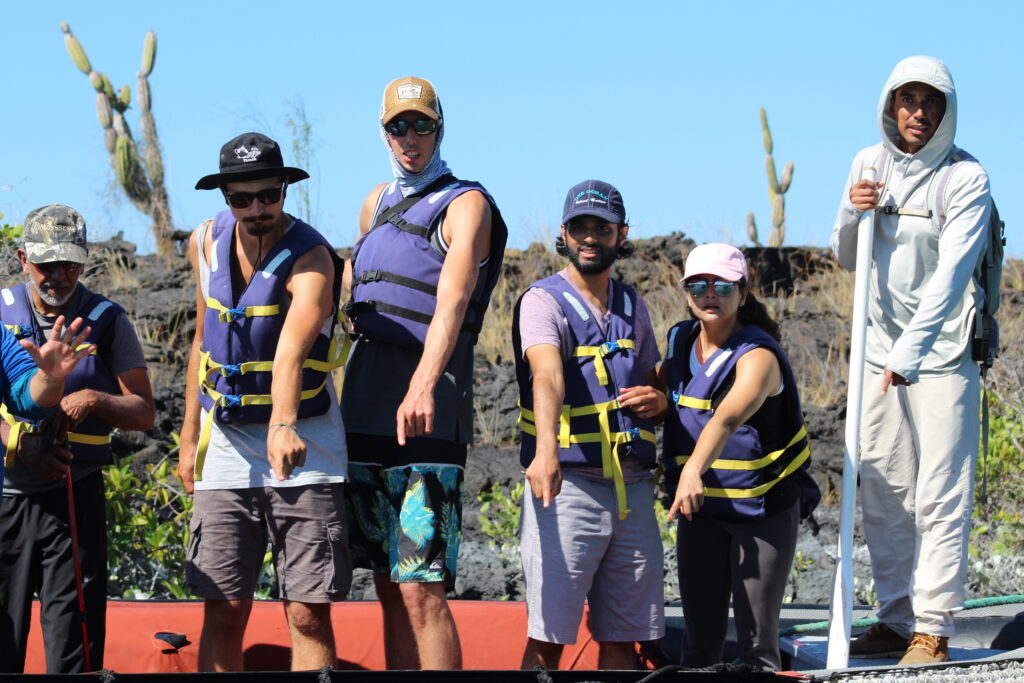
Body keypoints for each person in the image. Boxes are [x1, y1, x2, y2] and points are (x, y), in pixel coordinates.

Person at [831, 56, 993, 665]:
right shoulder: (866, 163)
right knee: (884, 487)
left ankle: (933, 628)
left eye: (931, 102)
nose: (918, 112)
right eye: (908, 100)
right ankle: (894, 621)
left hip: (944, 354)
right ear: (890, 105)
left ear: (946, 111)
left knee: (939, 492)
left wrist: (909, 353)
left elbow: (951, 278)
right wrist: (854, 210)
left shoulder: (966, 178)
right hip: (878, 352)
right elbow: (847, 257)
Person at [342, 76, 507, 670]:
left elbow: (454, 301)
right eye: (398, 126)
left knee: (421, 585)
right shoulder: (374, 203)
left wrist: (422, 384)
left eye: (422, 125)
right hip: (362, 411)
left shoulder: (466, 204)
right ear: (383, 131)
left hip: (426, 421)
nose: (410, 137)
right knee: (386, 583)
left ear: (441, 126)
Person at [180, 132, 350, 671]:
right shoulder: (204, 242)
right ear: (224, 197)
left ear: (284, 190)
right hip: (225, 442)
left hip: (305, 442)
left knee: (306, 611)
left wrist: (282, 426)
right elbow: (204, 339)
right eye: (240, 198)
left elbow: (291, 351)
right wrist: (187, 439)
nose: (256, 209)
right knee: (224, 607)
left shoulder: (312, 258)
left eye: (268, 195)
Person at [513, 180, 666, 670]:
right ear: (564, 232)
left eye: (603, 227)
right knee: (549, 637)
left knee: (624, 638)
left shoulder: (633, 305)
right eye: (581, 226)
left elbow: (648, 376)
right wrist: (544, 453)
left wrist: (661, 399)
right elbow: (547, 375)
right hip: (567, 487)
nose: (591, 237)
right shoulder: (543, 302)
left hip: (633, 491)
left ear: (622, 234)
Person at [0, 204, 153, 674]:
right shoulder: (1, 314)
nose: (58, 276)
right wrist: (16, 442)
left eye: (69, 264)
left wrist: (93, 398)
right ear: (24, 259)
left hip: (74, 497)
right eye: (47, 265)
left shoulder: (108, 320)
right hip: (6, 500)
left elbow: (144, 411)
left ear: (84, 261)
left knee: (75, 641)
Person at [660, 243, 817, 671]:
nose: (709, 294)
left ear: (743, 294)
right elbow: (673, 394)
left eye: (722, 286)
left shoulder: (759, 357)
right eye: (698, 285)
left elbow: (726, 419)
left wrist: (692, 469)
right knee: (698, 644)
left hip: (760, 510)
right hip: (703, 509)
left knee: (756, 647)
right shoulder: (679, 340)